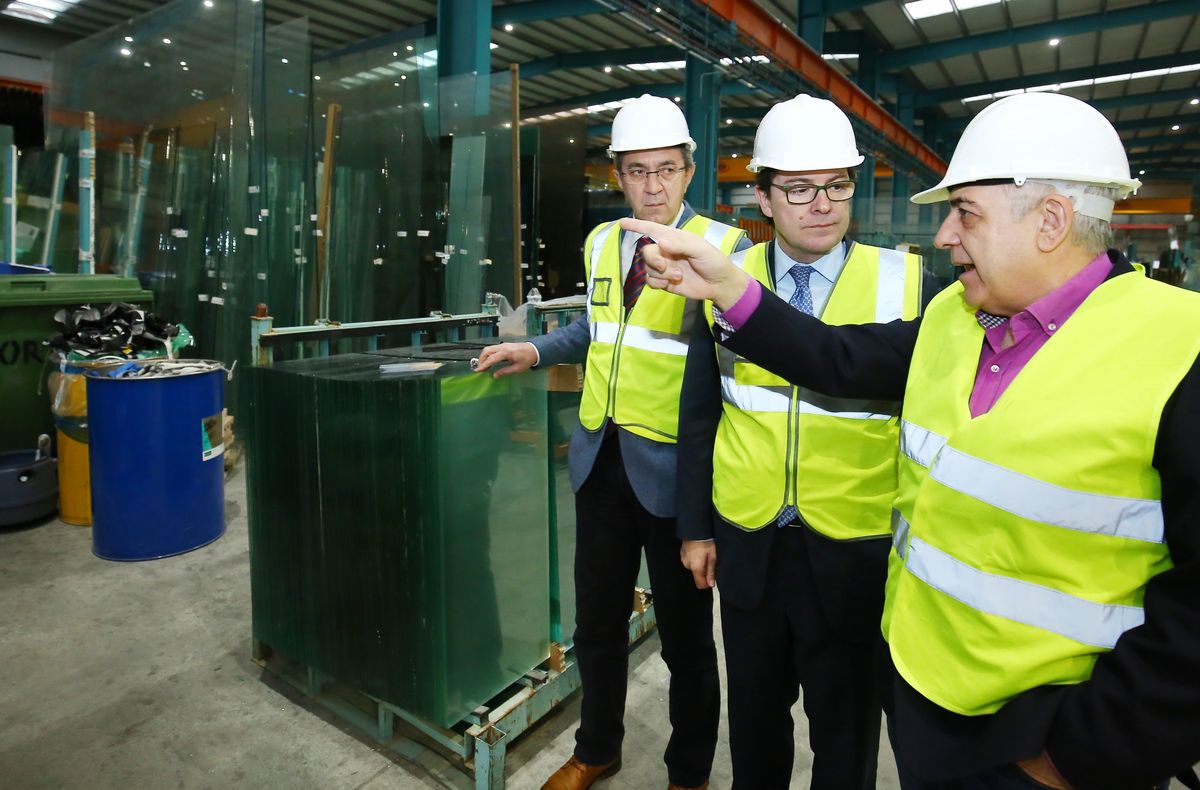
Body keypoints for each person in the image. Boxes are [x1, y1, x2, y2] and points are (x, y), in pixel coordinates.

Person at [622, 91, 1200, 790]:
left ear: (1051, 220)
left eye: (966, 213)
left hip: (1050, 733)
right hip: (926, 699)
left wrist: (1086, 751)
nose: (945, 236)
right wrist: (732, 291)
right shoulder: (957, 320)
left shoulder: (1178, 350)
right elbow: (834, 357)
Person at [475, 94, 751, 790]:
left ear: (689, 173)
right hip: (601, 464)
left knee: (689, 643)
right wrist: (535, 351)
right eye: (636, 171)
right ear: (618, 176)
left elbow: (732, 382)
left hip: (676, 478)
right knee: (596, 626)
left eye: (666, 170)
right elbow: (598, 331)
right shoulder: (603, 243)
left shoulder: (724, 250)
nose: (652, 186)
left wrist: (706, 514)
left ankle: (688, 771)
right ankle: (596, 748)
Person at [676, 94, 928, 790]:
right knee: (755, 722)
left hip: (854, 547)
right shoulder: (722, 280)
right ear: (761, 194)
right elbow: (701, 413)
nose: (822, 204)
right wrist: (696, 527)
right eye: (798, 189)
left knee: (847, 734)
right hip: (750, 538)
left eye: (838, 185)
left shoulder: (907, 284)